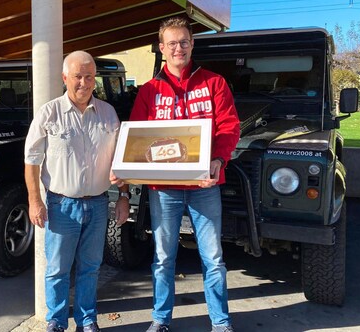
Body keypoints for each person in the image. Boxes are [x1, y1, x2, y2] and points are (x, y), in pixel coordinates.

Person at [120, 17, 240, 332]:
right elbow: (137, 138)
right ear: (162, 48)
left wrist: (218, 158)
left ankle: (221, 322)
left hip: (205, 185)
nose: (178, 48)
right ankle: (160, 320)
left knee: (213, 258)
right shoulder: (149, 90)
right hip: (164, 190)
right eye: (171, 43)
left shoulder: (214, 82)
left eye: (184, 41)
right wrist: (129, 169)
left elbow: (229, 126)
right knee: (162, 258)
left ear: (192, 44)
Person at [24, 50, 130, 332]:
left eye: (89, 77)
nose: (84, 83)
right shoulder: (49, 113)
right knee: (57, 270)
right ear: (64, 78)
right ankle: (56, 322)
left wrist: (124, 196)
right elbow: (31, 161)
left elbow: (122, 159)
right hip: (61, 205)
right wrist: (35, 201)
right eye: (77, 76)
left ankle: (87, 321)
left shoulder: (108, 113)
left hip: (98, 204)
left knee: (90, 267)